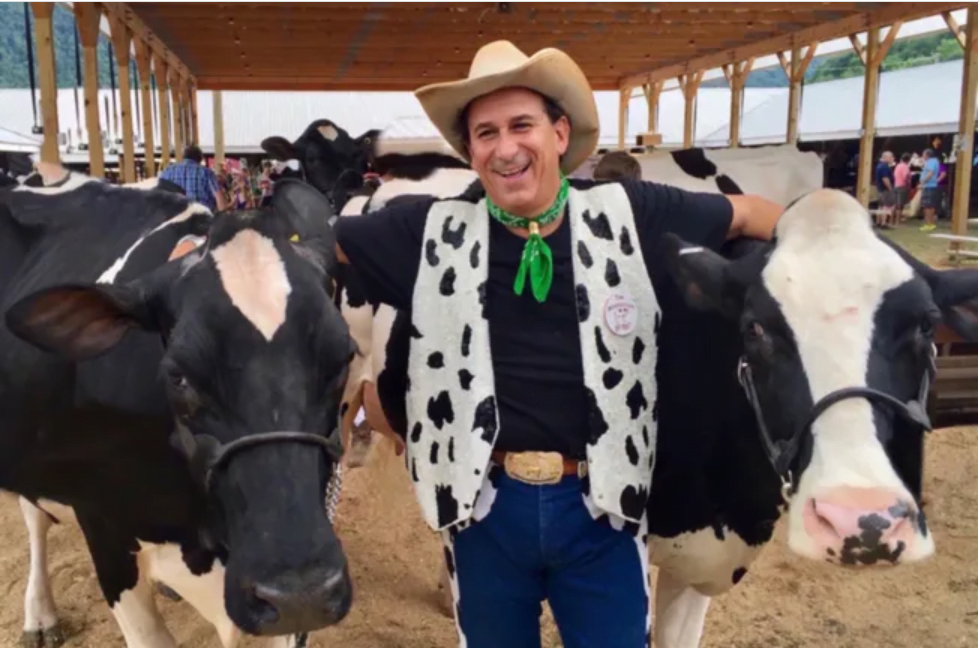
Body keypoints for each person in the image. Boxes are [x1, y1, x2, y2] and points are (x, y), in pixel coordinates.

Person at [333, 41, 783, 648]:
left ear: (560, 132)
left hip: (603, 509)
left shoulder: (633, 214)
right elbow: (311, 246)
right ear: (471, 152)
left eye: (523, 124)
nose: (506, 147)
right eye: (485, 133)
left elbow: (751, 214)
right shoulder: (428, 228)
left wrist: (847, 250)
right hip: (484, 509)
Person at [158, 145, 226, 211]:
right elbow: (221, 204)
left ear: (183, 156)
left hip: (173, 218)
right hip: (202, 219)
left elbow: (159, 198)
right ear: (200, 159)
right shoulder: (206, 173)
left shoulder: (167, 172)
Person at [919, 148, 941, 231]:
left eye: (923, 154)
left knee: (927, 206)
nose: (922, 156)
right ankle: (931, 223)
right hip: (931, 186)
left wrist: (923, 182)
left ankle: (928, 223)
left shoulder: (931, 162)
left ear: (927, 155)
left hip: (929, 186)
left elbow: (930, 173)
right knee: (930, 206)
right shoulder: (933, 161)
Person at [874, 150, 896, 228]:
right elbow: (885, 179)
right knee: (887, 206)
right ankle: (884, 223)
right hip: (885, 190)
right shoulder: (884, 167)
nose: (892, 159)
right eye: (891, 157)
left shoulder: (879, 165)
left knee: (881, 205)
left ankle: (878, 222)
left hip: (880, 189)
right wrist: (890, 188)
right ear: (885, 157)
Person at [893, 152, 911, 218]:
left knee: (896, 204)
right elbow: (906, 176)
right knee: (900, 204)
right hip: (902, 186)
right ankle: (898, 219)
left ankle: (893, 219)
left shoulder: (898, 165)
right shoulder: (905, 167)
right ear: (908, 160)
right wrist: (908, 185)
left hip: (896, 185)